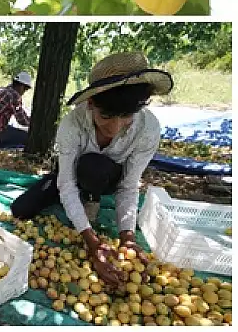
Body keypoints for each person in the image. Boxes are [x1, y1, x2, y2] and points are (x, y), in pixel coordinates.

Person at [10, 53, 171, 288]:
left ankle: (90, 197)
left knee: (94, 167)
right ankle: (74, 196)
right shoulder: (72, 124)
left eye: (126, 116)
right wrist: (93, 243)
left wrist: (127, 237)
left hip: (106, 177)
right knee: (20, 209)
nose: (114, 128)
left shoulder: (148, 129)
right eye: (106, 116)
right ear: (91, 102)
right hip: (72, 173)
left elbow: (128, 186)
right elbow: (66, 181)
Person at [0, 71, 33, 148]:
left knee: (12, 129)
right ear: (21, 86)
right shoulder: (14, 96)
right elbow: (22, 120)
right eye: (25, 89)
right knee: (28, 138)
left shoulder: (1, 90)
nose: (24, 92)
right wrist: (35, 123)